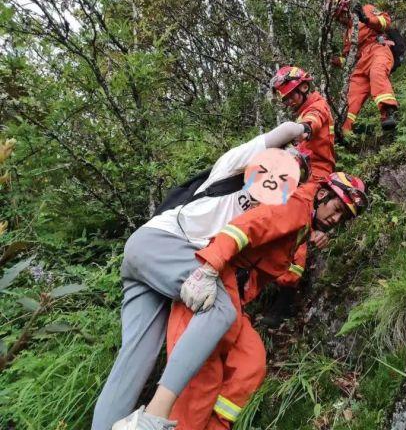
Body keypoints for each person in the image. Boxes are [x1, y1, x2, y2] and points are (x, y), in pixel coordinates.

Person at [92, 122, 311, 430]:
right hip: (161, 242)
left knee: (134, 363)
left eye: (291, 174)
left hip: (149, 263)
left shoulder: (265, 210)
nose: (279, 172)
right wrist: (302, 128)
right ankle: (152, 419)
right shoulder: (233, 167)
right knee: (219, 308)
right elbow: (283, 130)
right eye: (280, 162)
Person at [163, 172, 368, 430]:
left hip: (233, 296)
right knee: (201, 376)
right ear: (323, 194)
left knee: (251, 362)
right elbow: (243, 228)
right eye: (337, 209)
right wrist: (209, 269)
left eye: (343, 217)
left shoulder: (304, 220)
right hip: (212, 282)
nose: (336, 219)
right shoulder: (295, 205)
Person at [262, 66, 338, 327]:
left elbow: (313, 122)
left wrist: (303, 129)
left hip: (316, 175)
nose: (290, 100)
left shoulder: (316, 107)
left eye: (293, 94)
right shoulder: (305, 110)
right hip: (298, 171)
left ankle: (285, 294)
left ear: (304, 87)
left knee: (298, 219)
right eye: (286, 97)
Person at [329, 0, 398, 134]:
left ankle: (389, 112)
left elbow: (385, 21)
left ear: (346, 8)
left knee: (377, 73)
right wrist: (336, 60)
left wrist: (366, 19)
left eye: (341, 15)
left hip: (377, 49)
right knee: (351, 98)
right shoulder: (348, 34)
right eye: (338, 18)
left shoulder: (366, 9)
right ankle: (342, 132)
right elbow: (349, 60)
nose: (341, 20)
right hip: (360, 64)